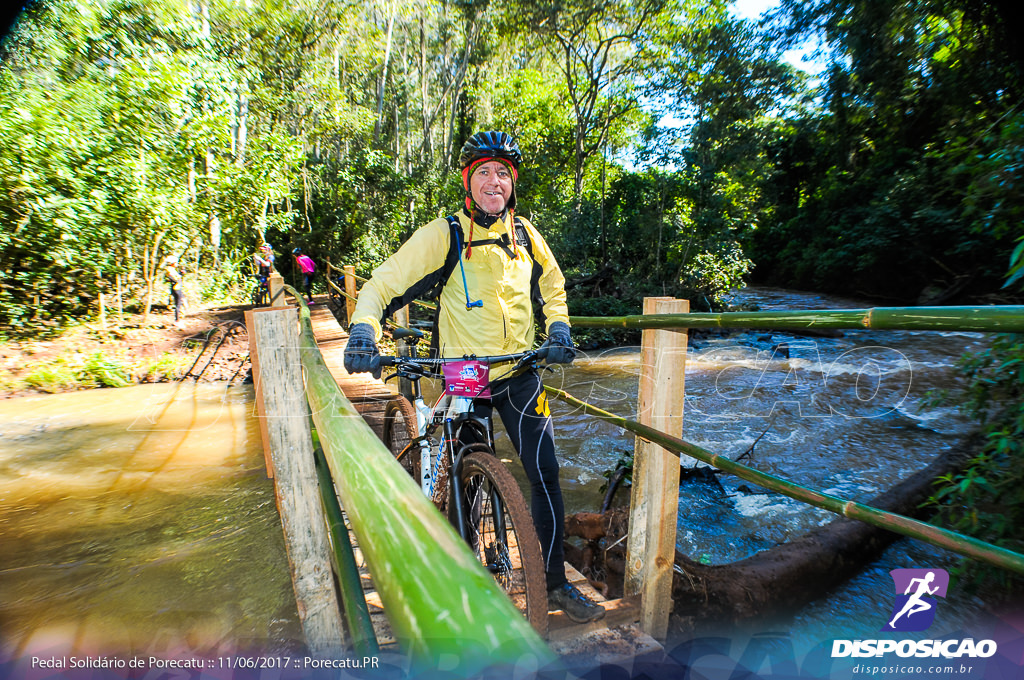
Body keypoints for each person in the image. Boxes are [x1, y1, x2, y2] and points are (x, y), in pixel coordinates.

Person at [343, 130, 605, 624]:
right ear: (468, 180)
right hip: (465, 376)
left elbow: (552, 285)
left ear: (512, 184)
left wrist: (560, 327)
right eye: (483, 171)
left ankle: (554, 587)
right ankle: (463, 579)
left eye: (503, 173)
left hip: (521, 372)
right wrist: (362, 329)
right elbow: (386, 280)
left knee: (545, 475)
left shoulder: (525, 234)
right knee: (468, 474)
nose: (494, 181)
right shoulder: (447, 234)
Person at [164, 255, 185, 323]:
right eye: (176, 262)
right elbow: (171, 278)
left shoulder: (172, 269)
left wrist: (181, 274)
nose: (177, 264)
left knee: (182, 302)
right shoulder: (169, 269)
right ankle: (177, 320)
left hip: (177, 288)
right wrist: (176, 281)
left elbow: (175, 277)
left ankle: (179, 318)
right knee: (178, 304)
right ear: (173, 263)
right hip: (176, 288)